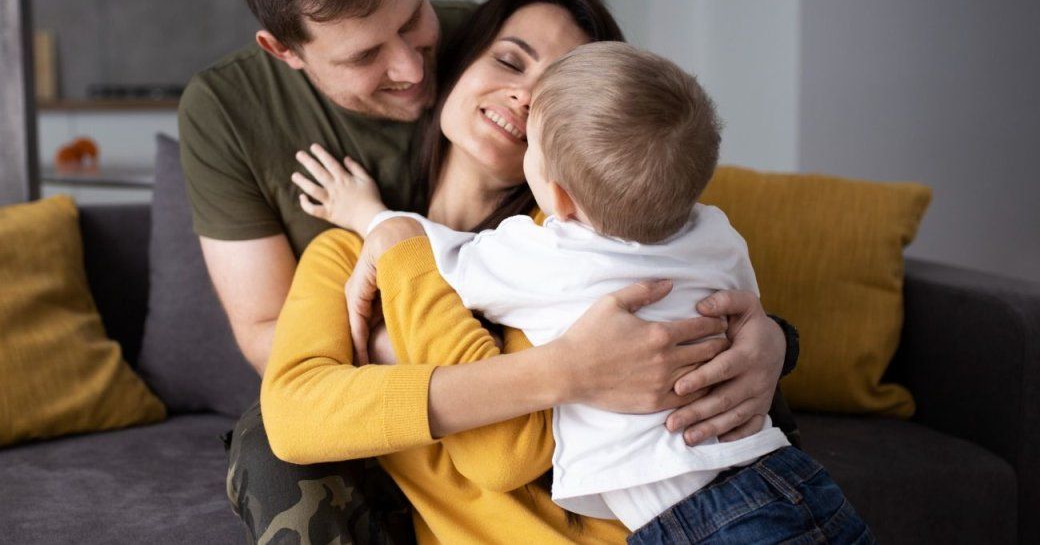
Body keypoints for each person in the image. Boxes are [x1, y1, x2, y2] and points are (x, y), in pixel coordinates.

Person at [178, 0, 797, 541]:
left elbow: (674, 237)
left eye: (416, 25)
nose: (412, 69)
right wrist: (550, 367)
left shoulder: (579, 245)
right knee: (269, 445)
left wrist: (774, 340)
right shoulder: (343, 242)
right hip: (397, 415)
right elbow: (293, 395)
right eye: (508, 61)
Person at [295, 42, 869, 541]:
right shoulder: (716, 230)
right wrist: (770, 335)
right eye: (511, 60)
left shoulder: (545, 256)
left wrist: (377, 221)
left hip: (700, 520)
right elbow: (744, 312)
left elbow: (444, 260)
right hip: (790, 477)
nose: (523, 97)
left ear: (560, 198)